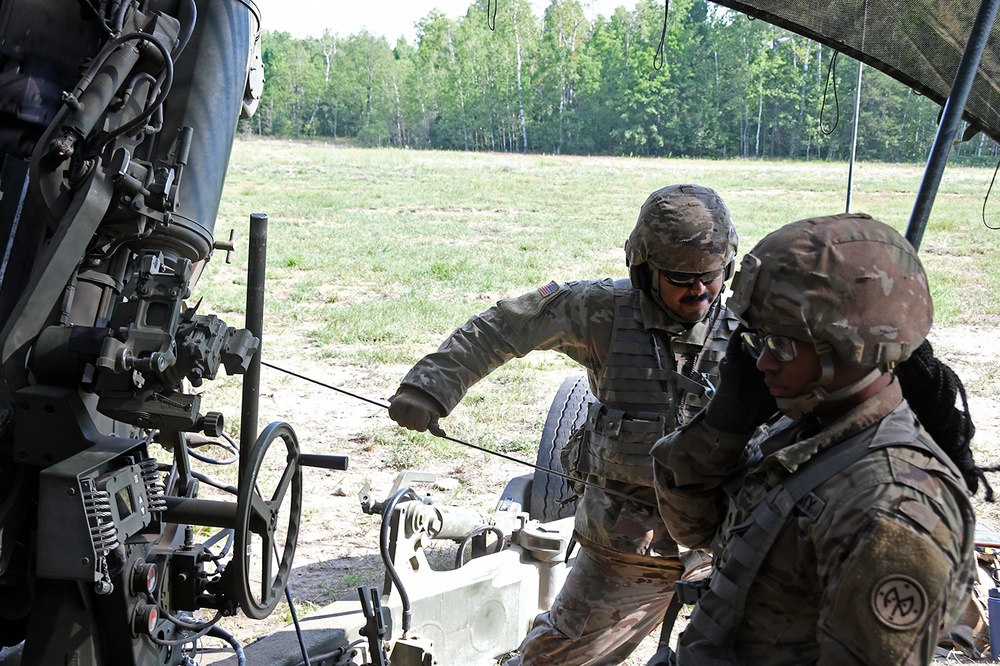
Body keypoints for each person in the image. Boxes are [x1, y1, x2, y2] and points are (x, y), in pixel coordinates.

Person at [388, 184, 740, 665]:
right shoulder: (603, 312)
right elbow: (506, 326)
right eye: (681, 277)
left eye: (711, 276)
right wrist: (430, 386)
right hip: (631, 543)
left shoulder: (756, 326)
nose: (699, 290)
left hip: (734, 538)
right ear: (644, 269)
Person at [650, 212, 977, 665]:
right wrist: (724, 425)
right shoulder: (805, 427)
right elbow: (694, 528)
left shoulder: (889, 508)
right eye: (758, 340)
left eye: (782, 344)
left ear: (852, 347)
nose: (763, 362)